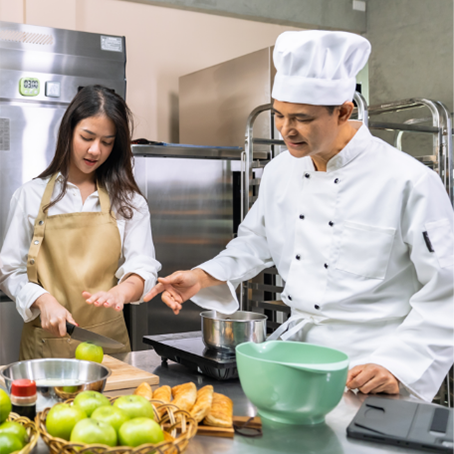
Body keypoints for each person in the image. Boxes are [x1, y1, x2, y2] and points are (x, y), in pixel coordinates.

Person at [144, 31, 454, 402]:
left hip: (371, 369)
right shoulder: (280, 172)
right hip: (295, 359)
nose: (286, 129)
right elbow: (256, 241)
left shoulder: (409, 181)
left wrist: (399, 365)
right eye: (279, 114)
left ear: (343, 111)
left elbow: (445, 289)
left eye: (302, 118)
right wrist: (203, 275)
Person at [0, 85, 161, 360]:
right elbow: (10, 271)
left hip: (108, 347)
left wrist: (123, 291)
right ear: (68, 132)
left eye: (107, 142)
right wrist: (43, 299)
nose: (95, 150)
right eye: (87, 137)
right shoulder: (30, 196)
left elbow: (143, 266)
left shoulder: (129, 202)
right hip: (46, 347)